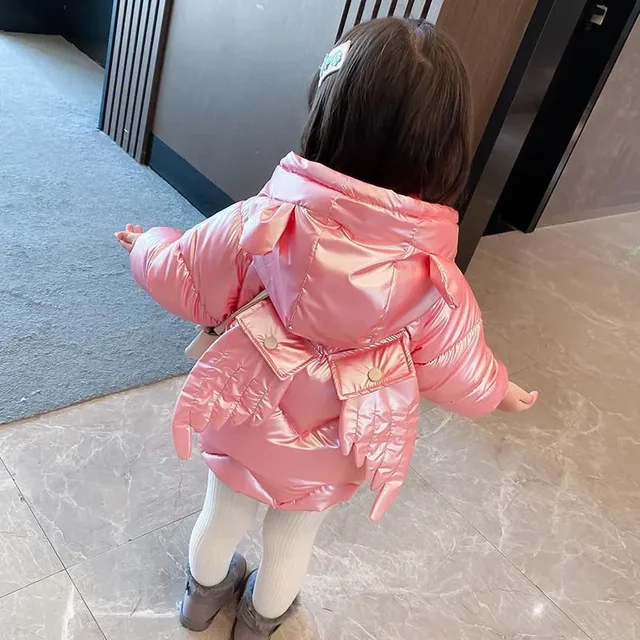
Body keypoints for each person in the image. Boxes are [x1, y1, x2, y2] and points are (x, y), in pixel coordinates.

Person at [116, 17, 537, 640]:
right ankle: (265, 621)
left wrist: (148, 243)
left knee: (222, 509)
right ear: (447, 145)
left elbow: (183, 272)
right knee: (294, 535)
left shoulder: (263, 219)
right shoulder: (436, 278)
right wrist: (499, 390)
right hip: (336, 440)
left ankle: (199, 605)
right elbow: (458, 362)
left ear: (327, 111)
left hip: (243, 409)